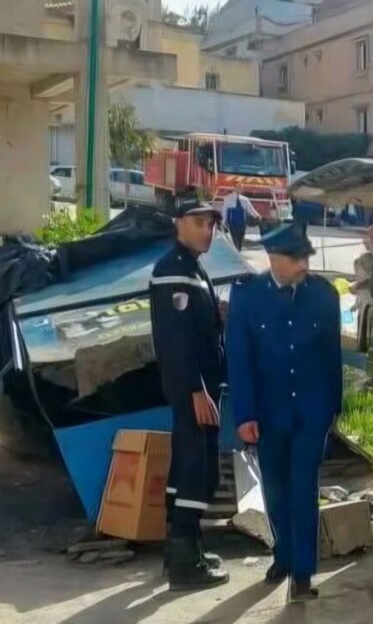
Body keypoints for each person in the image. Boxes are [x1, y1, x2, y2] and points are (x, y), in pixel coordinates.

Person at [226, 216, 343, 603]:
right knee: (275, 492)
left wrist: (332, 410)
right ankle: (283, 555)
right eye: (295, 259)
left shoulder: (324, 296)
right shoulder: (247, 297)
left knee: (304, 491)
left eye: (305, 257)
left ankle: (304, 575)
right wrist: (244, 415)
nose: (303, 266)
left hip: (311, 413)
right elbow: (240, 361)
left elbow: (332, 358)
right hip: (268, 414)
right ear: (273, 257)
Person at [149, 199, 229, 591]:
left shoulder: (191, 267)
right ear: (178, 223)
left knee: (187, 468)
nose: (207, 230)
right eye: (198, 222)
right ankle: (186, 566)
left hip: (200, 388)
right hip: (195, 391)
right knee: (199, 472)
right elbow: (175, 341)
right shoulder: (175, 271)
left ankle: (184, 550)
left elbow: (196, 328)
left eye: (211, 223)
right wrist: (196, 389)